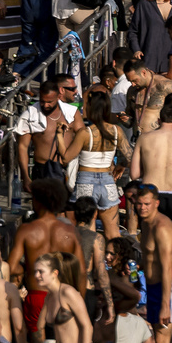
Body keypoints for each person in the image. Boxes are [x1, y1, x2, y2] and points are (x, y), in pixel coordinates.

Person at [8, 179, 87, 337]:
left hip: (37, 295)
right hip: (63, 296)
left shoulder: (26, 230)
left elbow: (10, 267)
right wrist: (80, 301)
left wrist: (24, 270)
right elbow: (81, 272)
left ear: (37, 201)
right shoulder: (70, 232)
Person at [63, 90, 129, 238]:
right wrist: (121, 165)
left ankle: (89, 260)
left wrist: (60, 136)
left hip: (85, 182)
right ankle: (117, 259)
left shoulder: (85, 133)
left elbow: (66, 158)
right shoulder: (116, 131)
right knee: (113, 232)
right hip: (108, 182)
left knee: (87, 233)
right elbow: (129, 156)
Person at [129, 100, 172, 232]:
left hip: (151, 196)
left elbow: (134, 174)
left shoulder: (144, 139)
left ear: (159, 121)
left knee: (150, 240)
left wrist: (151, 170)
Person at [133, 185, 172, 343]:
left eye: (146, 204)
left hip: (165, 288)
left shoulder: (163, 228)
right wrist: (138, 269)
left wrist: (165, 305)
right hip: (152, 287)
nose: (142, 208)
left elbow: (168, 268)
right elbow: (149, 258)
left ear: (156, 204)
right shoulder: (145, 224)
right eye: (139, 204)